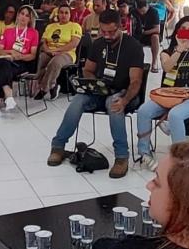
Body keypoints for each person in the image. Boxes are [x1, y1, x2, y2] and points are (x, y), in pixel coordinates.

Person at [48, 9, 144, 179]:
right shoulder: (99, 44)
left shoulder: (133, 46)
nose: (106, 35)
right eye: (103, 31)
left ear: (120, 27)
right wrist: (93, 84)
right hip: (101, 91)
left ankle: (121, 157)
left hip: (125, 92)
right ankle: (58, 146)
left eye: (111, 32)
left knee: (114, 103)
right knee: (78, 100)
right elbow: (88, 70)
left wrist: (124, 100)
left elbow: (136, 81)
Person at [136, 18, 189, 170]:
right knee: (143, 111)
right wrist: (179, 49)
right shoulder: (167, 51)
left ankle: (180, 158)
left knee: (175, 115)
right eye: (183, 29)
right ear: (177, 31)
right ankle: (144, 152)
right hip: (169, 95)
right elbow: (167, 67)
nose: (187, 32)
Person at [0, 5, 39, 120]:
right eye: (22, 14)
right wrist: (11, 52)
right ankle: (8, 96)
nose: (23, 17)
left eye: (27, 15)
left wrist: (18, 56)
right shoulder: (8, 31)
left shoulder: (33, 33)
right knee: (2, 64)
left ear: (30, 19)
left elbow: (32, 55)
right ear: (18, 15)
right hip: (6, 61)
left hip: (22, 63)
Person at [34, 3, 82, 100]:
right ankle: (52, 86)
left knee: (55, 62)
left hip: (67, 53)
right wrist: (47, 50)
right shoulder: (50, 26)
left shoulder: (75, 26)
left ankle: (44, 88)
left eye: (66, 13)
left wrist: (57, 51)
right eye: (61, 12)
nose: (63, 15)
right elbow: (43, 42)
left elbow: (74, 43)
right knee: (42, 58)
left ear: (70, 14)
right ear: (57, 14)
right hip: (50, 51)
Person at [131, 0, 161, 73]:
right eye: (139, 11)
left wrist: (145, 32)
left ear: (147, 6)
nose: (141, 13)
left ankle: (154, 62)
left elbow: (157, 29)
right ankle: (135, 63)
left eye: (143, 11)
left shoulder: (154, 12)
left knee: (155, 37)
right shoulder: (134, 12)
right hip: (137, 34)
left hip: (149, 34)